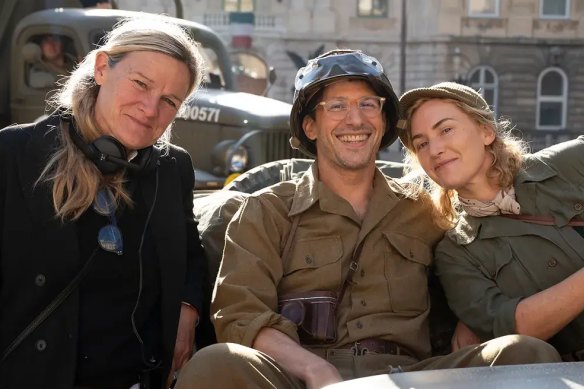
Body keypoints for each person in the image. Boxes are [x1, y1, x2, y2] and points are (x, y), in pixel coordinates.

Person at [175, 50, 561, 389]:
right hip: (297, 375)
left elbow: (482, 255)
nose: (355, 120)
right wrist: (315, 370)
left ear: (384, 121)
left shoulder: (427, 210)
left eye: (368, 104)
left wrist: (473, 316)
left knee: (524, 353)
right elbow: (240, 314)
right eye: (337, 106)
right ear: (310, 126)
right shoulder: (266, 211)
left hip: (410, 376)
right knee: (215, 362)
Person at [0, 16, 207, 388]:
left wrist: (187, 308)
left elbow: (189, 250)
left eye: (169, 101)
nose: (149, 108)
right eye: (140, 83)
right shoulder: (13, 154)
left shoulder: (172, 168)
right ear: (100, 68)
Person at [399, 81, 584, 361]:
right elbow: (512, 327)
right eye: (421, 143)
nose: (434, 149)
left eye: (446, 130)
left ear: (486, 131)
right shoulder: (456, 253)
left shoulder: (569, 164)